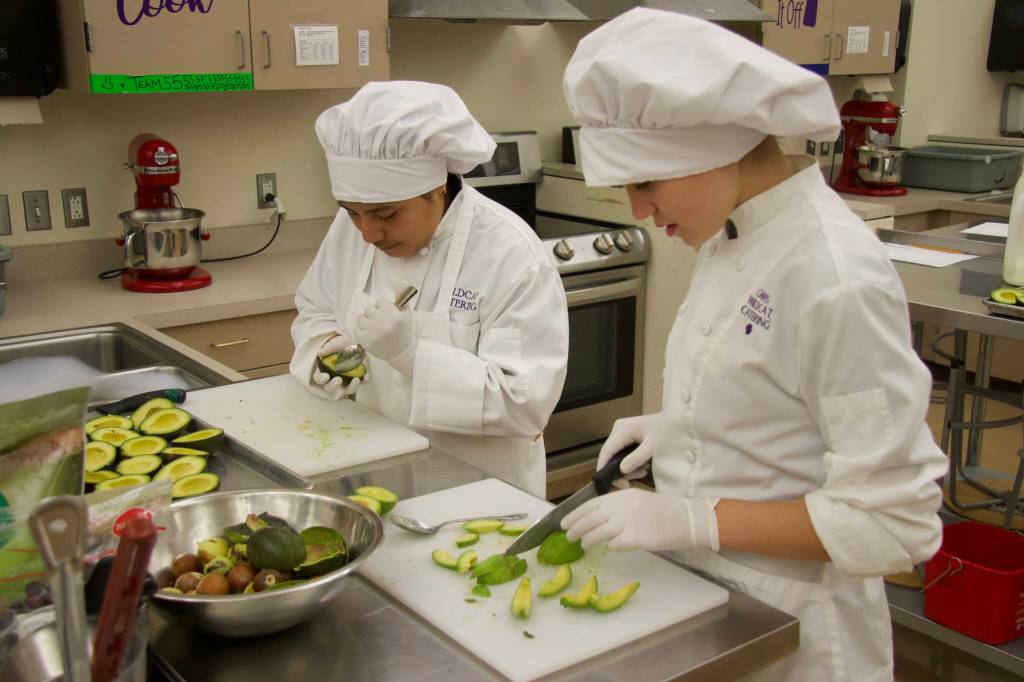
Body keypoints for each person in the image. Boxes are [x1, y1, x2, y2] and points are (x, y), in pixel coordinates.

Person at [558, 9, 946, 680]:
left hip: (798, 629)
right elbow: (774, 397)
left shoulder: (834, 276)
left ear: (712, 145)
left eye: (646, 182)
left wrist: (691, 520)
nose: (639, 211)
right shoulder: (735, 233)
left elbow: (894, 527)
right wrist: (681, 429)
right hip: (716, 609)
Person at [290, 81, 569, 497]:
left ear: (436, 187)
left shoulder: (509, 253)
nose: (368, 233)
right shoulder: (352, 232)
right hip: (365, 471)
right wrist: (323, 345)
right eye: (352, 213)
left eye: (386, 214)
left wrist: (412, 356)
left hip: (478, 489)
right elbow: (314, 307)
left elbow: (524, 403)